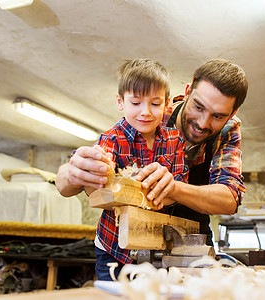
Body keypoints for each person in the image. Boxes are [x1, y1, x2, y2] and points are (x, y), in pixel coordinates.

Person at [56, 58, 248, 256]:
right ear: (188, 92)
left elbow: (230, 199)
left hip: (191, 237)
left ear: (232, 113)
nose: (202, 122)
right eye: (198, 107)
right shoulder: (153, 113)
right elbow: (82, 175)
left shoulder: (228, 129)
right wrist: (72, 172)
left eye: (217, 116)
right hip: (135, 239)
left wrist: (173, 187)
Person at [67, 58, 188, 280]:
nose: (146, 112)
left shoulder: (175, 139)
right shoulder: (111, 139)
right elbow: (96, 190)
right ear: (120, 102)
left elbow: (178, 191)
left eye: (155, 103)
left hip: (155, 244)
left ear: (167, 103)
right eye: (136, 103)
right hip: (113, 247)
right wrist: (101, 171)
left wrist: (163, 190)